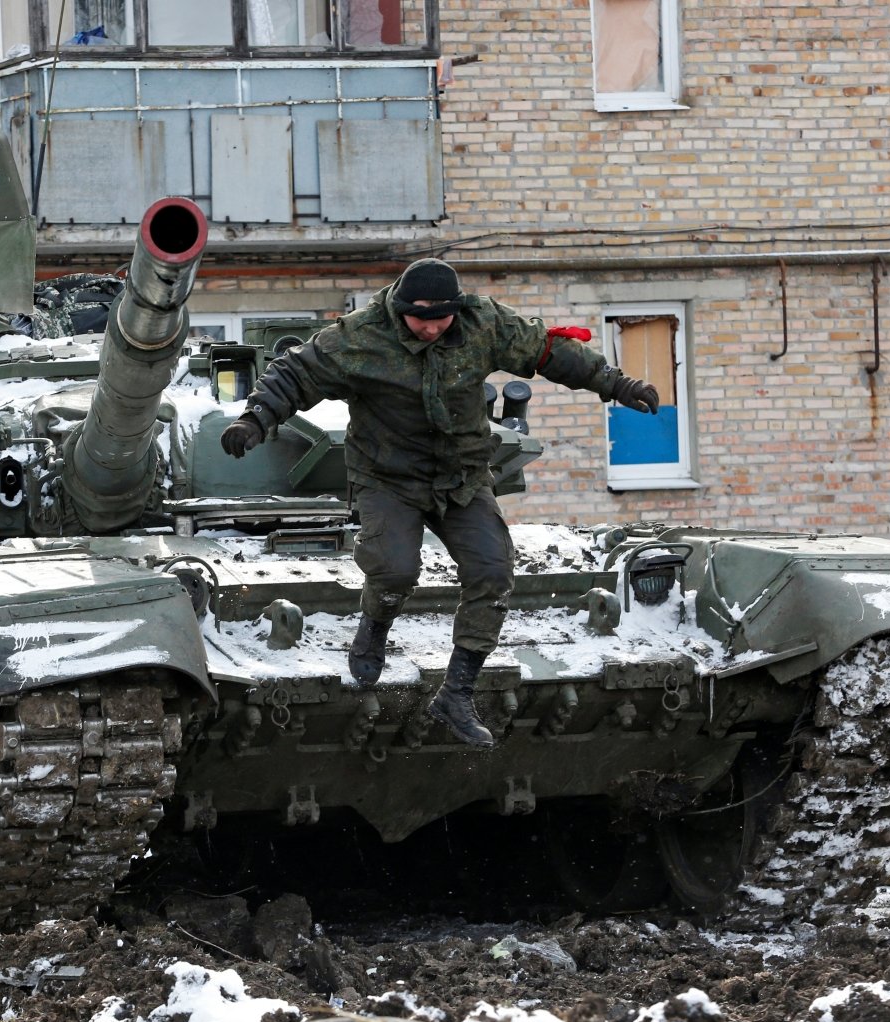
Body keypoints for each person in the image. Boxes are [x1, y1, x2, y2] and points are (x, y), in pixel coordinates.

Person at [219, 259, 659, 748]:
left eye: (441, 319)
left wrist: (618, 385)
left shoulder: (484, 322)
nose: (430, 328)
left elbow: (548, 351)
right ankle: (375, 626)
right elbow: (297, 371)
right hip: (389, 478)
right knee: (394, 569)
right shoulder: (359, 336)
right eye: (419, 319)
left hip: (462, 477)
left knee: (493, 572)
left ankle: (457, 692)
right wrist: (255, 419)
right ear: (401, 309)